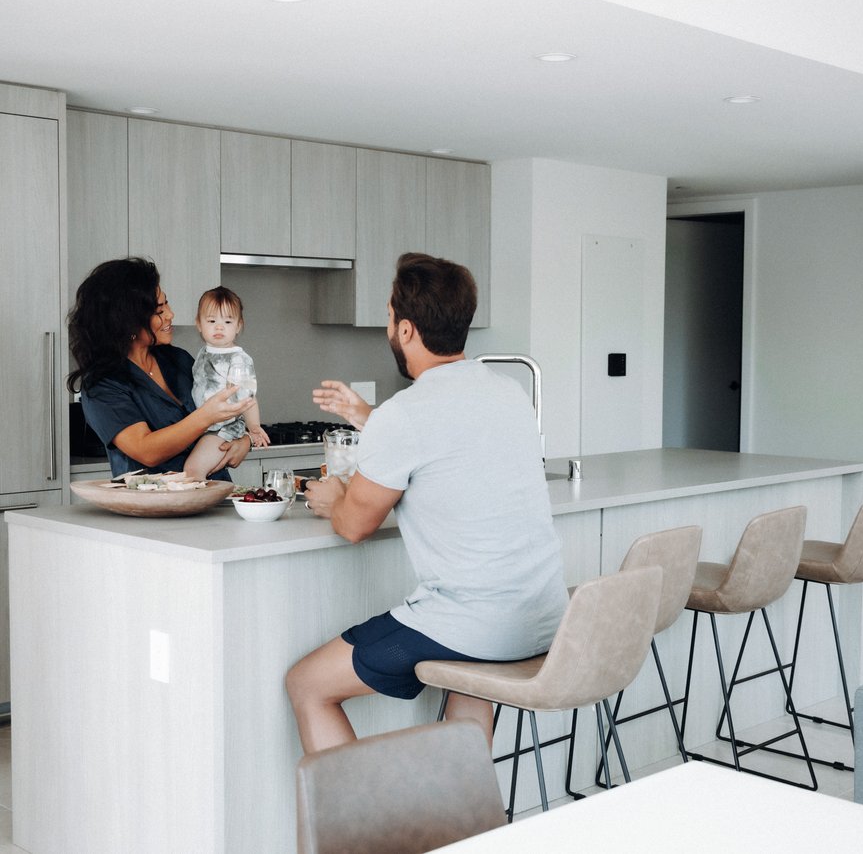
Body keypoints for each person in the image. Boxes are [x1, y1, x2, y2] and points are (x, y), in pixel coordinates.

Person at [286, 252, 567, 754]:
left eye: (390, 317)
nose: (388, 328)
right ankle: (468, 826)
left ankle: (360, 831)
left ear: (408, 330)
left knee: (307, 684)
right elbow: (451, 449)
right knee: (470, 680)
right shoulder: (508, 394)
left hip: (476, 627)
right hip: (544, 620)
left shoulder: (406, 414)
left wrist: (333, 498)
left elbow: (354, 526)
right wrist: (372, 418)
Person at [67, 257, 255, 480]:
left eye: (167, 304)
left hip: (214, 500)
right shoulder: (103, 385)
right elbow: (146, 450)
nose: (170, 314)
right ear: (126, 320)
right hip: (154, 508)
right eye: (159, 310)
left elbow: (226, 414)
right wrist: (205, 417)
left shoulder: (178, 360)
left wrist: (245, 441)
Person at [183, 287, 270, 480]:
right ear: (199, 323)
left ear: (239, 325)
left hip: (223, 429)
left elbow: (247, 399)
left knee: (192, 470)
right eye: (212, 321)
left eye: (228, 321)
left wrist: (254, 428)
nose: (219, 327)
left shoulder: (238, 359)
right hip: (203, 426)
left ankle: (194, 506)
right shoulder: (204, 352)